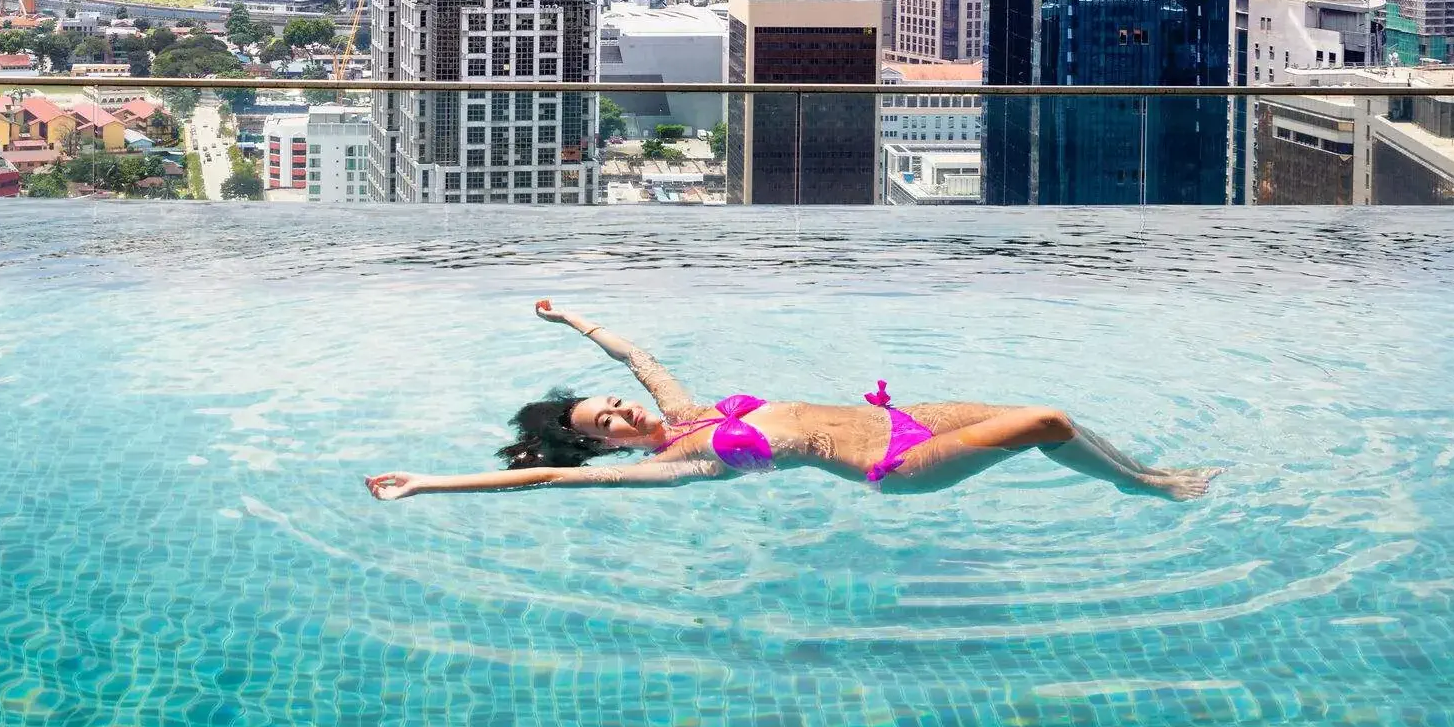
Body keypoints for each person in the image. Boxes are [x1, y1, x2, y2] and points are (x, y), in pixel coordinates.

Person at [363, 300, 1216, 502]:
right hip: (896, 460)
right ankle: (1150, 491)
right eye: (605, 427)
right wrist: (431, 484)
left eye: (609, 406)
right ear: (609, 450)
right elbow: (547, 485)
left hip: (904, 415)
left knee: (1046, 408)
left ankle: (1144, 471)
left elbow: (640, 354)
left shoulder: (683, 408)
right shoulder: (674, 463)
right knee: (1048, 424)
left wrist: (571, 320)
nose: (624, 413)